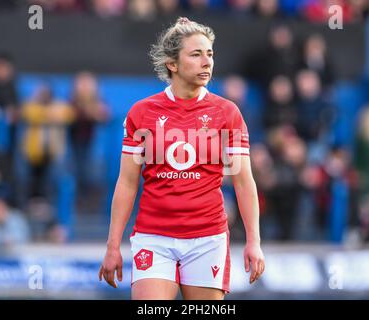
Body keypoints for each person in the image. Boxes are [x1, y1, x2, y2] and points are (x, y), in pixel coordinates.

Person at [98, 17, 265, 300]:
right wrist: (113, 245)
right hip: (153, 236)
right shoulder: (142, 113)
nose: (207, 62)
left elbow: (243, 182)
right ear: (172, 64)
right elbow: (127, 183)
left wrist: (254, 241)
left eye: (210, 54)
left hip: (208, 238)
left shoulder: (227, 114)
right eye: (196, 54)